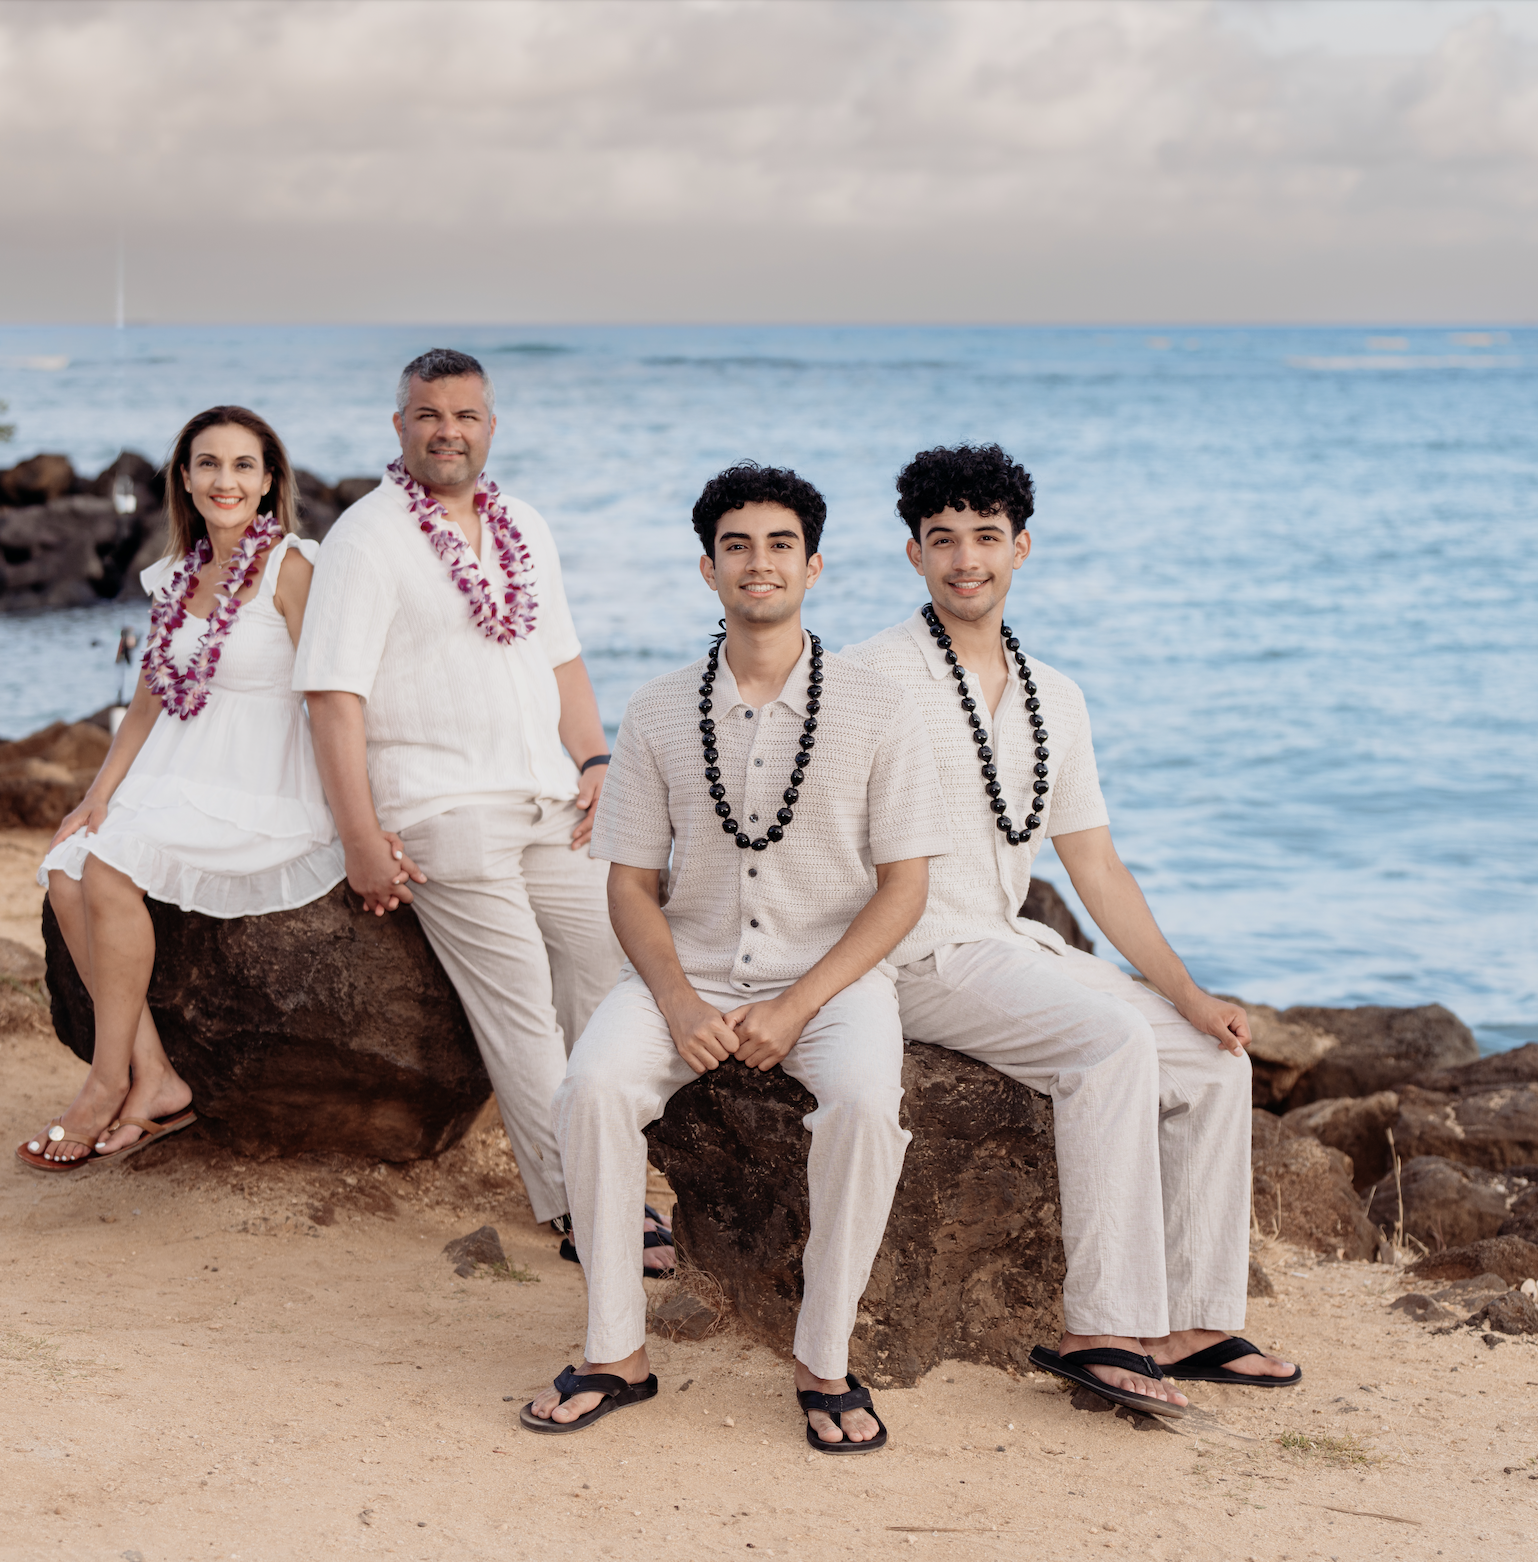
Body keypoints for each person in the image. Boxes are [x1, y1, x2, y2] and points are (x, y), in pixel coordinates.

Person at [845, 443, 1298, 1415]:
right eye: (942, 539)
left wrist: (1188, 990)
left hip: (1007, 944)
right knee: (1105, 1040)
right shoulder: (871, 677)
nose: (966, 558)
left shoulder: (1055, 693)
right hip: (912, 954)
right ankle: (1099, 1325)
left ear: (1022, 547)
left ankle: (1192, 1320)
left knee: (1211, 1060)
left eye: (985, 536)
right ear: (913, 554)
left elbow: (1093, 864)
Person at [522, 463, 949, 1453]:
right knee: (588, 1086)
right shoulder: (661, 709)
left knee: (859, 1104)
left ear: (814, 564)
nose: (759, 562)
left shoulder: (881, 707)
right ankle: (613, 1349)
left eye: (779, 544)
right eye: (737, 545)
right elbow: (629, 883)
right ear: (707, 567)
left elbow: (904, 888)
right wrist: (674, 1001)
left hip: (833, 980)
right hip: (691, 969)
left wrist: (797, 1005)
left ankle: (823, 1357)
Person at [295, 349, 630, 1242]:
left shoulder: (523, 523)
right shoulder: (365, 540)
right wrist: (359, 838)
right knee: (519, 1000)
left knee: (611, 958)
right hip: (441, 809)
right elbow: (333, 699)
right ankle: (582, 1206)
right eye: (429, 414)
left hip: (548, 801)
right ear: (399, 425)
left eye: (466, 415)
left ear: (491, 427)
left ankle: (612, 1163)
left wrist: (597, 763)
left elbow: (562, 659)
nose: (448, 430)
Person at [21, 406, 342, 1170]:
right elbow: (146, 700)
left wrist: (362, 813)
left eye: (241, 466)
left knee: (109, 867)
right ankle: (158, 1078)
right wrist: (98, 794)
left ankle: (104, 1086)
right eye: (207, 464)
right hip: (178, 768)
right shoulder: (177, 573)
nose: (223, 480)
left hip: (259, 778)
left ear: (268, 482)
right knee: (67, 872)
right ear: (185, 479)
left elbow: (335, 691)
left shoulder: (294, 566)